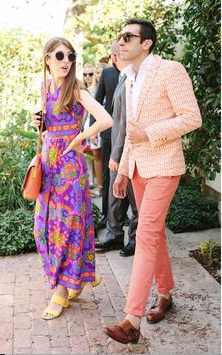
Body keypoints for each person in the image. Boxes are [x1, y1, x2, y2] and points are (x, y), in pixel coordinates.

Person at [104, 18, 202, 344]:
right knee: (154, 232)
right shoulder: (128, 78)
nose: (122, 41)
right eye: (120, 36)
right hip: (137, 170)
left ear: (146, 43)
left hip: (164, 165)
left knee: (144, 233)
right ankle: (165, 294)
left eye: (128, 36)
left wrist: (151, 134)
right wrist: (122, 172)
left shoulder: (170, 70)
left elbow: (192, 117)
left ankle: (131, 320)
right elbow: (132, 133)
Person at [32, 37, 112, 320]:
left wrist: (81, 137)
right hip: (48, 167)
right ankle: (73, 278)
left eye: (70, 56)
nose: (66, 61)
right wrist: (39, 123)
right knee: (42, 227)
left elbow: (105, 120)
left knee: (66, 228)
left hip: (70, 169)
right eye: (60, 56)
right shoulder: (45, 88)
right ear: (47, 59)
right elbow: (47, 128)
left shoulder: (76, 89)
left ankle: (62, 291)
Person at [95, 42, 138, 256]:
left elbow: (127, 122)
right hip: (115, 144)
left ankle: (135, 240)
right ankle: (114, 235)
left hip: (128, 148)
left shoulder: (133, 79)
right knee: (115, 192)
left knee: (134, 196)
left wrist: (118, 154)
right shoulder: (121, 76)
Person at [89, 55, 119, 229]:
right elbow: (97, 102)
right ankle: (106, 216)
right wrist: (93, 130)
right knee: (108, 176)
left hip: (132, 133)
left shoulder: (136, 71)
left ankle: (124, 216)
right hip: (108, 133)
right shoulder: (107, 74)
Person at [89, 62, 109, 197]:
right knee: (96, 155)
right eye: (97, 72)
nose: (98, 75)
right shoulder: (90, 90)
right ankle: (100, 186)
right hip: (93, 124)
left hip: (107, 125)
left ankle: (107, 186)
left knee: (106, 157)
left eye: (101, 72)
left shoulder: (110, 87)